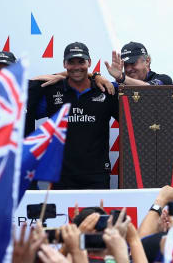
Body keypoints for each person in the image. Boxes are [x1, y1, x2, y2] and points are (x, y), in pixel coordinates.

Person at [26, 42, 119, 189]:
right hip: (62, 176)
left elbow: (134, 113)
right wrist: (59, 76)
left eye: (81, 62)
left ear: (89, 62)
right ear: (64, 64)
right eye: (71, 62)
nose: (76, 67)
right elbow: (27, 100)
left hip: (96, 175)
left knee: (96, 213)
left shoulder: (106, 89)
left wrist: (99, 76)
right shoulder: (51, 91)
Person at [105, 42, 173, 87]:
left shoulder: (164, 79)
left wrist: (121, 78)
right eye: (125, 65)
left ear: (147, 61)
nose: (128, 69)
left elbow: (149, 89)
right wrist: (97, 77)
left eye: (132, 63)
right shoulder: (120, 83)